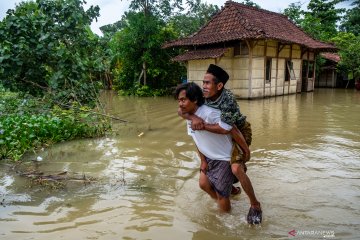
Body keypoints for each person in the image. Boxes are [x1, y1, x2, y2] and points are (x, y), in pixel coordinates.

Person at [180, 64, 262, 224]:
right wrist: (193, 118)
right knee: (205, 182)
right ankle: (231, 189)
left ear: (219, 86)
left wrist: (246, 150)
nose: (204, 86)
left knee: (236, 167)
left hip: (240, 131)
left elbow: (229, 130)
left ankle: (255, 204)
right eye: (203, 82)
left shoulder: (228, 101)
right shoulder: (203, 97)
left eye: (208, 83)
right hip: (228, 131)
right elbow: (181, 110)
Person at [175, 82, 237, 212]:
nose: (180, 104)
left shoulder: (211, 114)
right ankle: (225, 201)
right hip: (208, 157)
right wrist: (203, 160)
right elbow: (196, 139)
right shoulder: (189, 115)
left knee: (221, 193)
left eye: (183, 100)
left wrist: (245, 151)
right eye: (179, 100)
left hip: (223, 158)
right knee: (203, 184)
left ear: (195, 100)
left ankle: (226, 217)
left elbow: (232, 129)